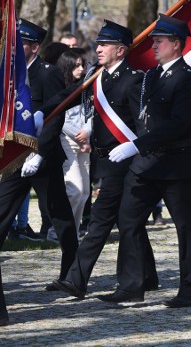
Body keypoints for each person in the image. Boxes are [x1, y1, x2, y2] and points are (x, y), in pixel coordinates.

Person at [99, 14, 191, 307]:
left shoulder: (187, 78)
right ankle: (133, 284)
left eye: (159, 41)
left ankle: (190, 289)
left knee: (186, 226)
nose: (153, 46)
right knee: (128, 218)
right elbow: (143, 117)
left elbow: (178, 124)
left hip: (177, 164)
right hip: (147, 164)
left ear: (176, 43)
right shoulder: (153, 75)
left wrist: (135, 146)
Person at [48, 20, 158, 300]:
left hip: (124, 162)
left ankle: (76, 279)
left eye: (105, 45)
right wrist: (44, 111)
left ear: (121, 50)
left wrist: (138, 152)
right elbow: (71, 97)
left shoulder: (134, 79)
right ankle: (147, 276)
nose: (98, 49)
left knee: (99, 221)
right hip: (104, 160)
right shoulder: (98, 76)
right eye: (98, 44)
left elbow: (143, 124)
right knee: (128, 221)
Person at [0, 19, 78, 285]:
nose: (14, 48)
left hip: (42, 159)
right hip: (15, 157)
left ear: (34, 46)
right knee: (2, 211)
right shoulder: (10, 73)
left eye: (19, 43)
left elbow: (55, 116)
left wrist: (39, 153)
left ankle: (71, 273)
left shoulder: (47, 73)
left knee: (59, 216)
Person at [55, 49, 92, 234]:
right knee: (74, 189)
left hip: (85, 141)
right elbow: (61, 118)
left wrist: (88, 131)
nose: (80, 69)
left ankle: (73, 232)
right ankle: (58, 231)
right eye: (76, 66)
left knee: (85, 192)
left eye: (82, 65)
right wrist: (81, 136)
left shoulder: (86, 86)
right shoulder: (61, 86)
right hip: (67, 141)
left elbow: (91, 112)